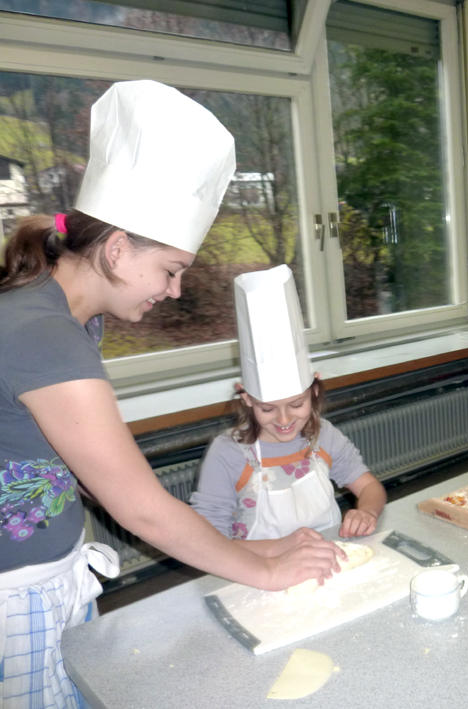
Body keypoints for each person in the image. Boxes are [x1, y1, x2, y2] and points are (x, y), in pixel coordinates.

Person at [0, 81, 341, 709]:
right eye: (171, 269)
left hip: (44, 572)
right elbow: (141, 509)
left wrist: (257, 546)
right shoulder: (45, 335)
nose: (176, 290)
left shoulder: (63, 317)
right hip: (14, 598)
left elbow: (77, 471)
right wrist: (265, 570)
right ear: (117, 249)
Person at [191, 265, 386, 541]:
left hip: (327, 554)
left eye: (296, 405)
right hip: (256, 563)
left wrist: (366, 511)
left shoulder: (323, 436)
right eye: (267, 409)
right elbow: (209, 538)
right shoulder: (229, 453)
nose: (284, 420)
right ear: (246, 398)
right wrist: (278, 556)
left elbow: (369, 487)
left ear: (314, 391)